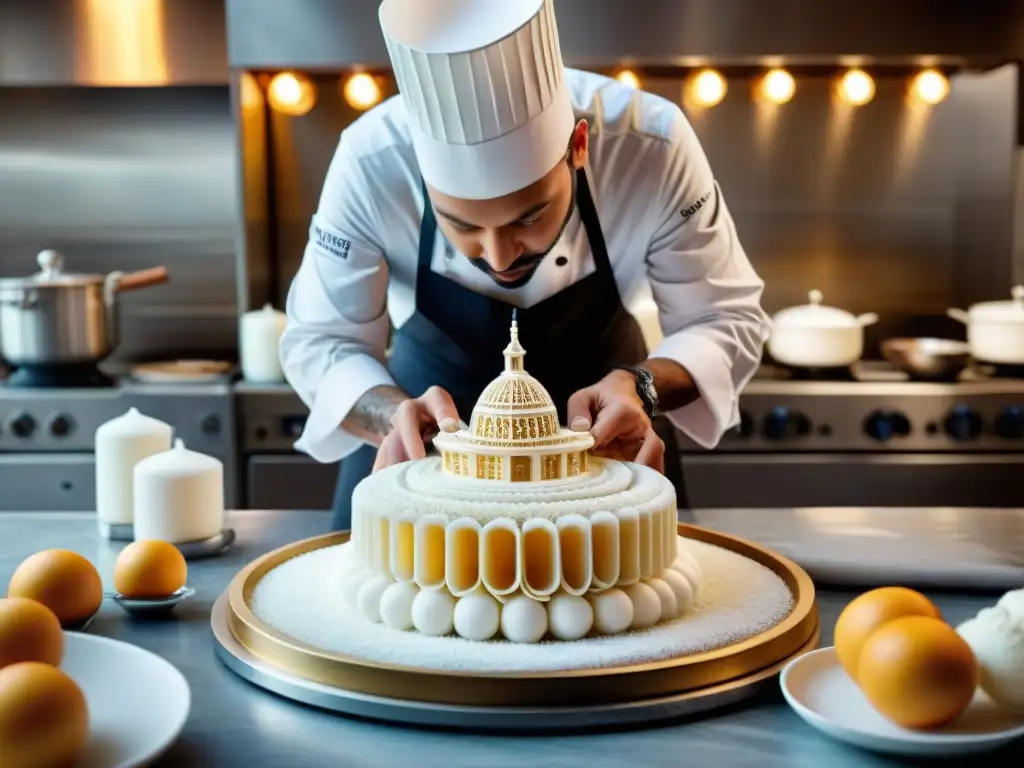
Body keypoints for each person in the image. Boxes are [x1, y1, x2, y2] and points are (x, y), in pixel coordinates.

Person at [280, 0, 771, 531]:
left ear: (577, 147)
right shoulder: (371, 158)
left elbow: (722, 319)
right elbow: (322, 340)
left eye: (528, 217)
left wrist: (644, 387)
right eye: (461, 225)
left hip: (607, 449)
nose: (498, 256)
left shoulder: (652, 143)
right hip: (420, 455)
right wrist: (389, 415)